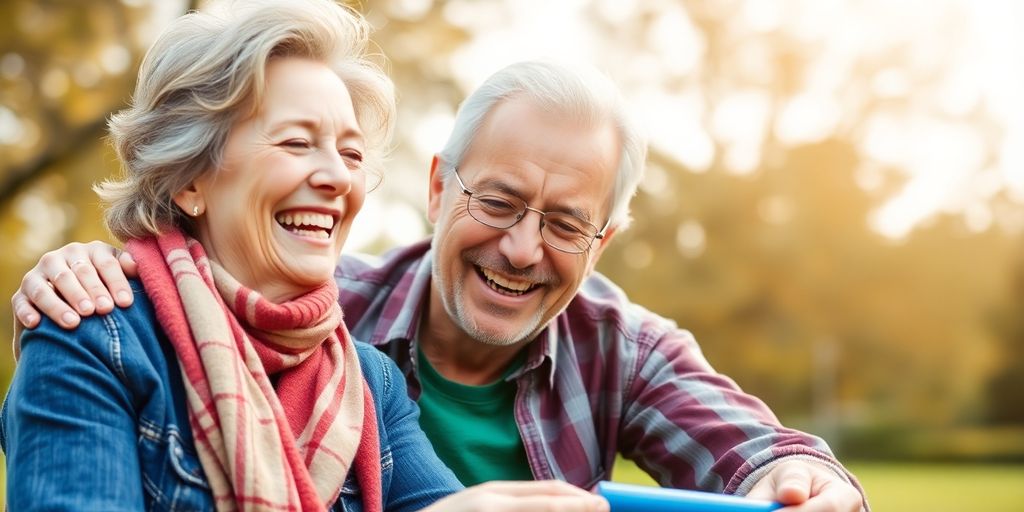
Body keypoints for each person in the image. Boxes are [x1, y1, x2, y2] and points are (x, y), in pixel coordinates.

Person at [11, 59, 869, 510]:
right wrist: (88, 269)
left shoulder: (365, 376)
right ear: (436, 187)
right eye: (497, 201)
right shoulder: (321, 316)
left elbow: (753, 447)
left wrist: (803, 484)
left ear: (603, 243)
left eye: (567, 224)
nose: (523, 248)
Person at [0, 1, 612, 511]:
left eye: (350, 155)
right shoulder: (92, 340)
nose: (335, 178)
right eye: (297, 142)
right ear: (191, 179)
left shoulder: (370, 383)